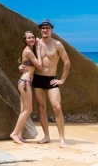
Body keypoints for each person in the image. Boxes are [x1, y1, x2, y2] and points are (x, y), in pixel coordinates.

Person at [29, 19, 70, 147]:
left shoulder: (57, 44)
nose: (45, 30)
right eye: (43, 28)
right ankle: (46, 136)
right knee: (41, 108)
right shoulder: (36, 43)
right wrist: (22, 66)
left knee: (57, 107)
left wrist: (62, 80)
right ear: (40, 30)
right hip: (38, 78)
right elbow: (26, 54)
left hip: (51, 79)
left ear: (51, 29)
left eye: (47, 28)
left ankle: (62, 139)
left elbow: (67, 62)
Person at [10, 31, 43, 145]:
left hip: (24, 81)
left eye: (33, 37)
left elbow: (24, 63)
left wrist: (37, 42)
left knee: (23, 110)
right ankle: (14, 133)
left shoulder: (29, 50)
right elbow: (39, 65)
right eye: (28, 38)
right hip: (25, 82)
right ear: (25, 40)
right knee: (28, 110)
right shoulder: (29, 51)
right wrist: (38, 51)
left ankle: (19, 135)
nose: (31, 39)